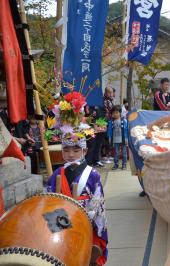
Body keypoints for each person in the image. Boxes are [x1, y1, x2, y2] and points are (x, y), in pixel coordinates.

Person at [45, 92, 108, 265]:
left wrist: (84, 216)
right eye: (66, 150)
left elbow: (98, 203)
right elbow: (49, 201)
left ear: (84, 151)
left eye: (75, 150)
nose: (70, 154)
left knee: (85, 255)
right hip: (61, 224)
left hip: (85, 221)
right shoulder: (57, 174)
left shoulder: (92, 175)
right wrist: (60, 224)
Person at [107, 105, 129, 170]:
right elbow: (110, 131)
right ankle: (116, 164)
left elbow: (126, 130)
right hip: (115, 140)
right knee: (116, 153)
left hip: (123, 139)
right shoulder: (111, 122)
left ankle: (124, 164)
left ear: (120, 113)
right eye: (113, 113)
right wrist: (110, 138)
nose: (115, 114)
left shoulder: (124, 121)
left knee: (124, 153)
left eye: (117, 112)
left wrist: (127, 138)